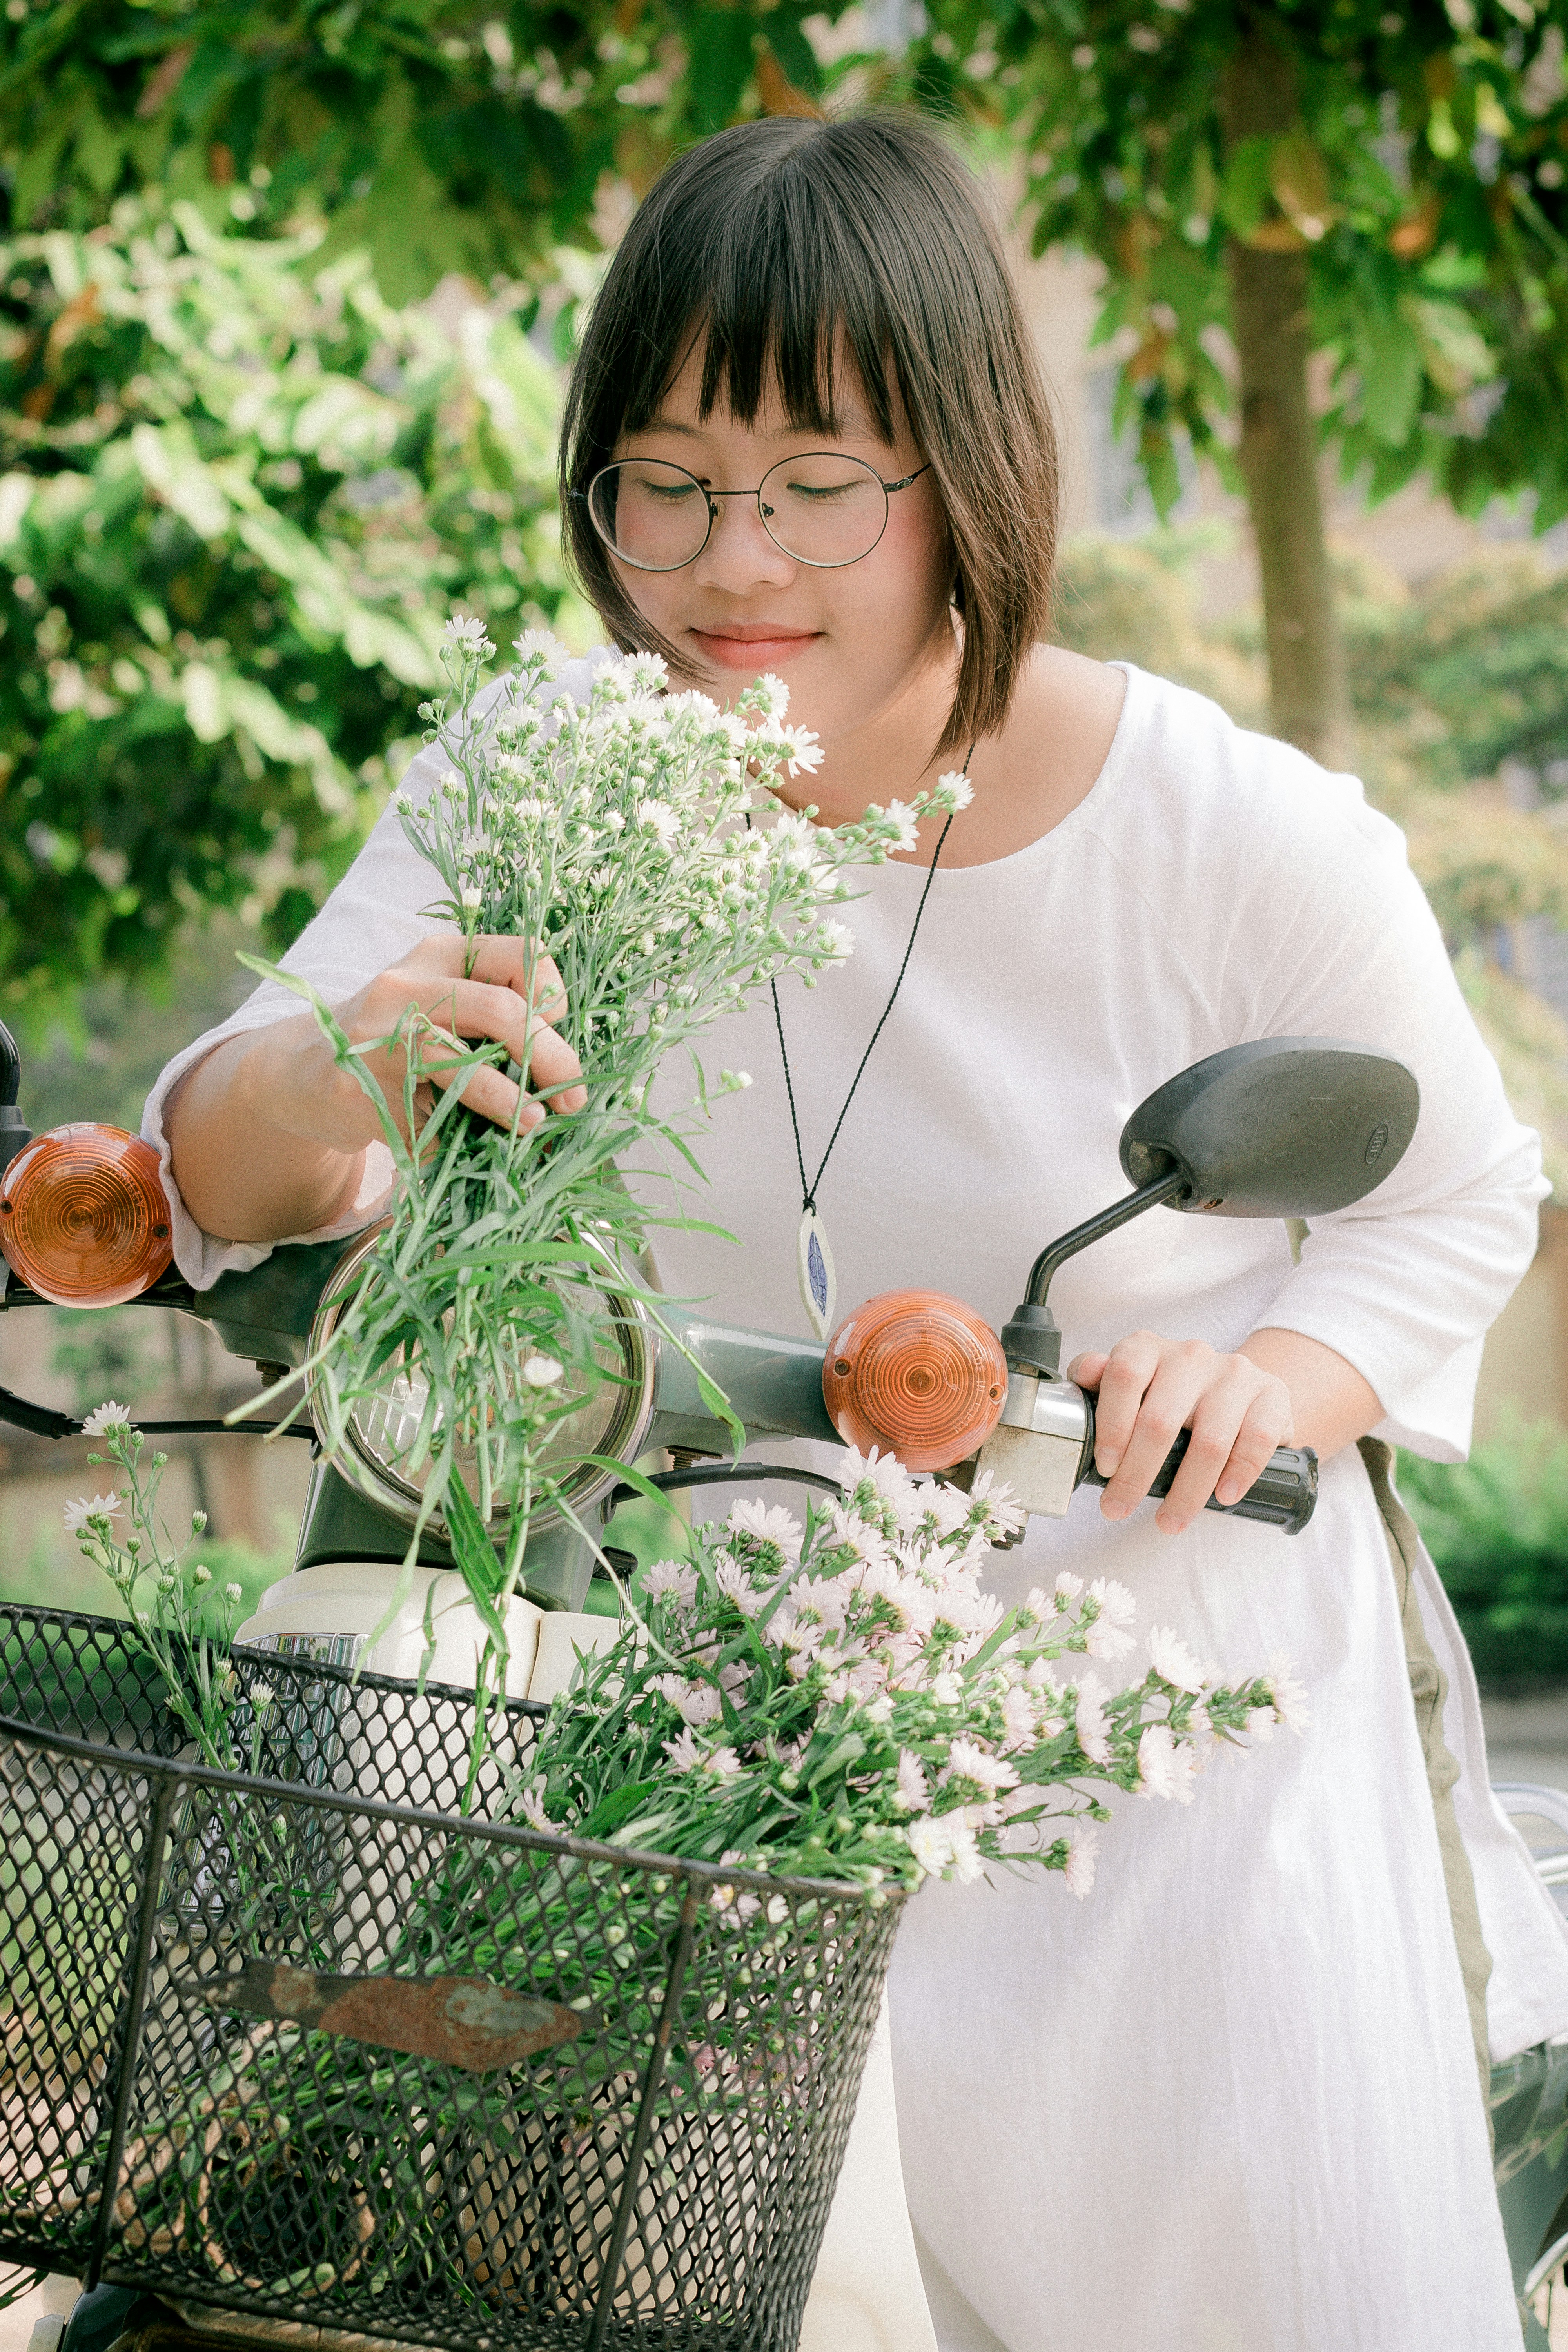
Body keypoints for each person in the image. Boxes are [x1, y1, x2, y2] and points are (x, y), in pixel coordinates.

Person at [149, 111, 1568, 2350]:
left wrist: (1268, 1377)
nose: (732, 561)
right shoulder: (554, 765)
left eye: (818, 485)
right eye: (669, 480)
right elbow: (222, 1166)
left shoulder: (1229, 831)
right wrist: (346, 1069)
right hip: (707, 1750)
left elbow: (1459, 1187)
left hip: (1157, 1701)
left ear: (970, 475)